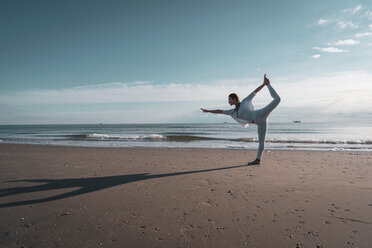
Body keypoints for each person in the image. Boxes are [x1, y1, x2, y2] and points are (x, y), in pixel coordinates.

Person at [201, 74, 281, 165]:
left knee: (277, 99)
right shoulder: (232, 112)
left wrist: (264, 84)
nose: (228, 101)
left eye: (229, 99)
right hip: (260, 122)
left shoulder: (245, 102)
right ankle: (257, 160)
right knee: (261, 141)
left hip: (260, 114)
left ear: (234, 99)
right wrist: (207, 111)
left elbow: (255, 92)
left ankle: (268, 84)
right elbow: (220, 111)